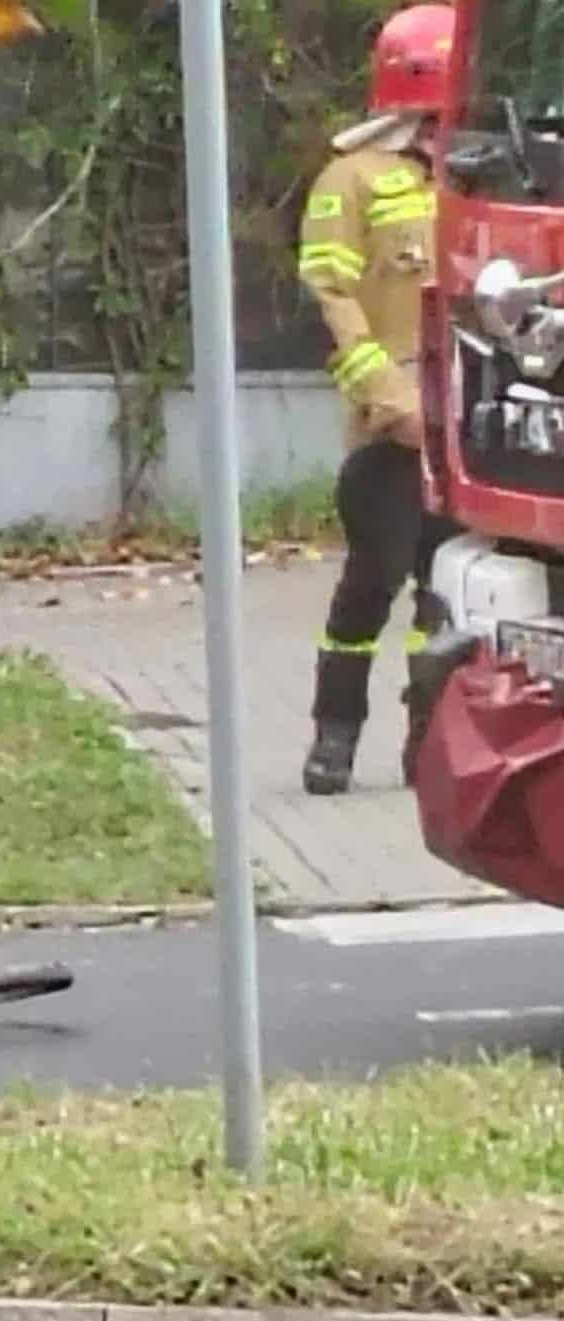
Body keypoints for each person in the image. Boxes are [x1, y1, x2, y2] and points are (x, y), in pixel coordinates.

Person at [298, 2, 461, 796]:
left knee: (448, 593)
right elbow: (333, 294)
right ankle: (335, 734)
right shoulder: (353, 179)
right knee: (375, 578)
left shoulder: (485, 171)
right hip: (391, 432)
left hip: (469, 427)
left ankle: (428, 742)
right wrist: (386, 396)